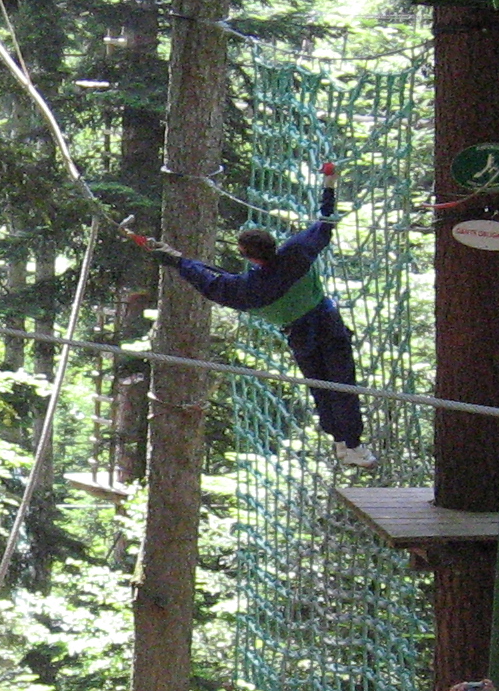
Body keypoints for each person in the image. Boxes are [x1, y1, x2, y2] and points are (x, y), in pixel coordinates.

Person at [130, 161, 376, 468]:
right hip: (328, 326)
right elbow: (325, 222)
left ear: (248, 257)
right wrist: (329, 184)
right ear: (274, 243)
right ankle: (351, 444)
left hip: (302, 337)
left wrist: (176, 261)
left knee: (322, 388)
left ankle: (343, 443)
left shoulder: (249, 290)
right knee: (343, 385)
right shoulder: (297, 251)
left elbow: (210, 283)